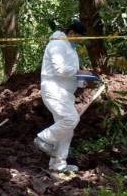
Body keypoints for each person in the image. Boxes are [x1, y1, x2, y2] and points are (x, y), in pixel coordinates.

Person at [34, 20, 90, 174]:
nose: (81, 41)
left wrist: (83, 80)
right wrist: (80, 72)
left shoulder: (70, 48)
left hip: (64, 93)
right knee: (71, 119)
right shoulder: (57, 44)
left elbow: (71, 73)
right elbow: (61, 70)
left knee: (67, 129)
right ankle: (43, 138)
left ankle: (58, 165)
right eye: (80, 37)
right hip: (54, 90)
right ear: (71, 33)